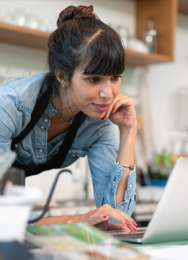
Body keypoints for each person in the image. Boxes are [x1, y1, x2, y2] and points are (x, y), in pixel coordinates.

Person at [0, 5, 137, 231]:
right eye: (94, 79)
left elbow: (117, 216)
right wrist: (74, 220)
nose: (108, 93)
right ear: (62, 76)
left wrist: (128, 131)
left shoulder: (100, 120)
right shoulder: (10, 106)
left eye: (114, 77)